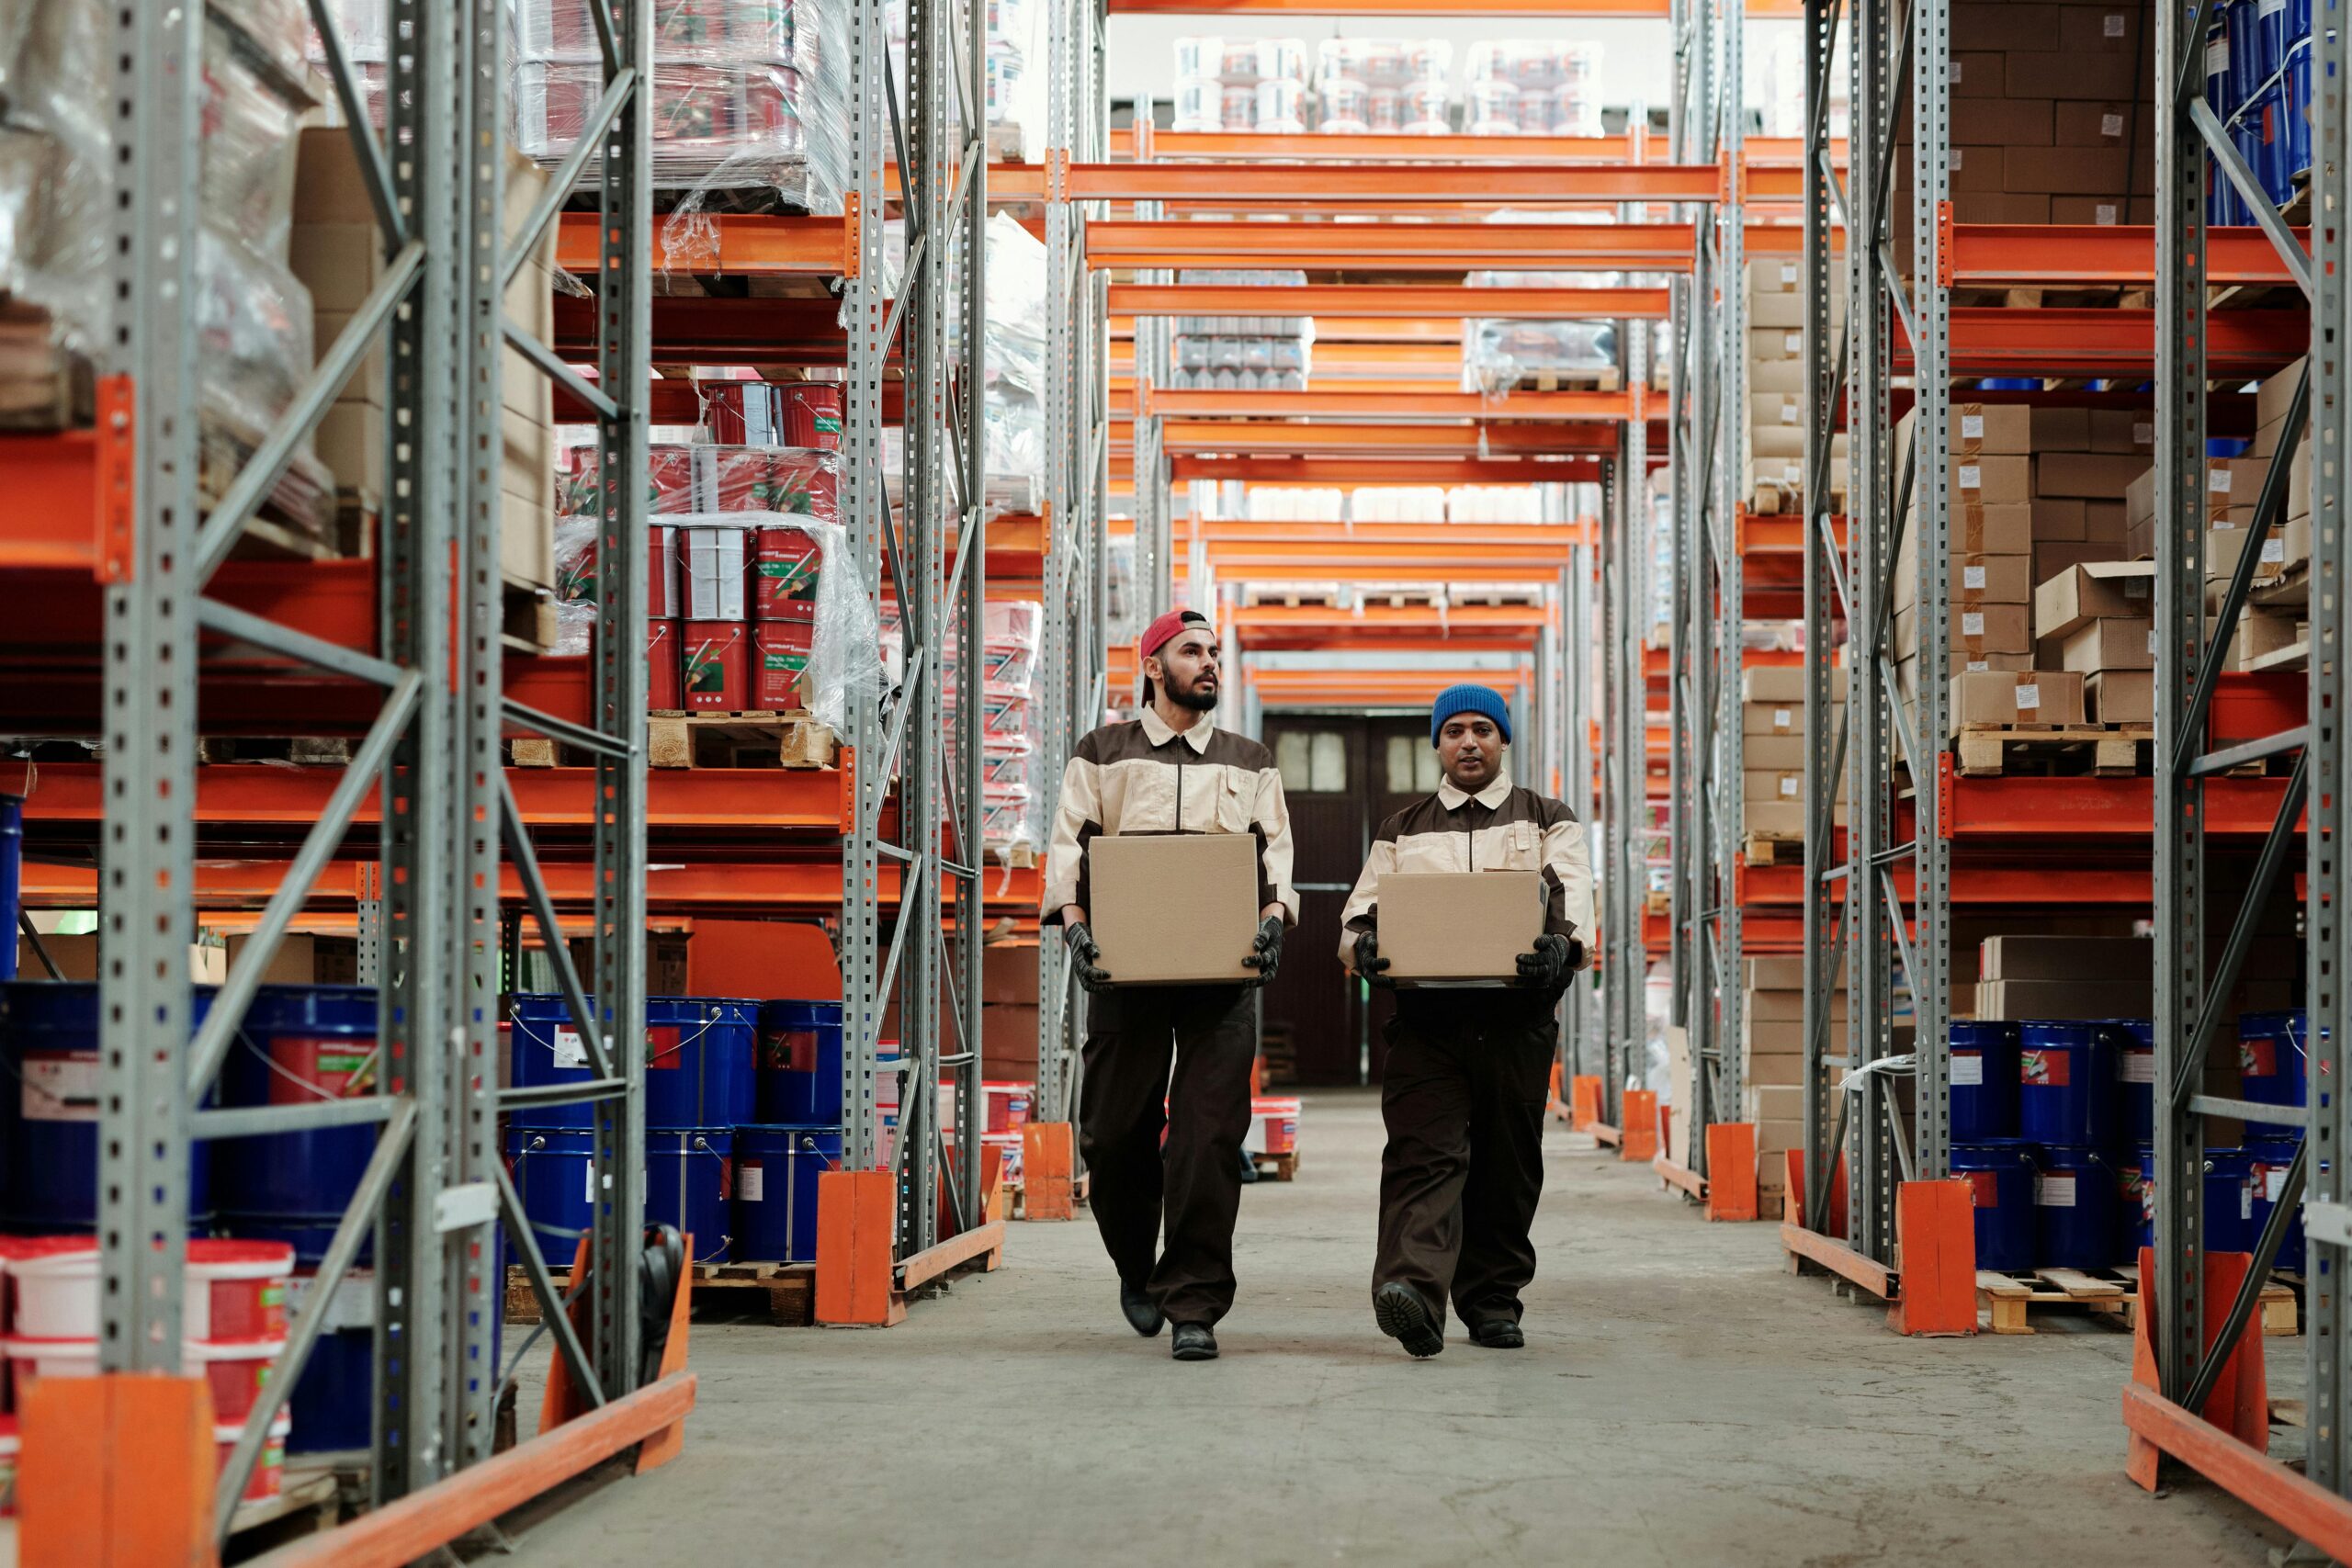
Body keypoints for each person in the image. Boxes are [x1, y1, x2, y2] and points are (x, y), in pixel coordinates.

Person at [1042, 607, 1298, 1362]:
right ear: (1152, 665)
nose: (1210, 662)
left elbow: (1274, 854)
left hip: (1224, 975)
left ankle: (1194, 1301)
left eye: (1215, 651)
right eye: (1193, 651)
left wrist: (1275, 916)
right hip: (1127, 967)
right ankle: (1135, 1264)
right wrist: (1076, 926)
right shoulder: (1103, 751)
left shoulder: (1250, 760)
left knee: (1208, 1138)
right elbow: (1071, 846)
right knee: (1113, 1132)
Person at [1338, 683, 1593, 1358]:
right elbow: (1360, 913)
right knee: (1422, 1155)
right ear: (1438, 745)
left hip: (1517, 1019)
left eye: (1483, 728)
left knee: (1507, 1165)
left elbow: (1572, 895)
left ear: (1503, 739)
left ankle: (1492, 1300)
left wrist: (1560, 947)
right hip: (1429, 1021)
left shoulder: (1547, 817)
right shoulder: (1402, 828)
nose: (1470, 741)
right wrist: (1361, 946)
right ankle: (1413, 1294)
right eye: (1454, 731)